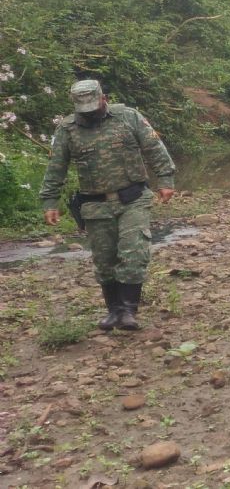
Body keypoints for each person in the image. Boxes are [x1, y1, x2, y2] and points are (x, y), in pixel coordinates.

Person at [39, 80, 177, 331]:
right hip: (94, 204)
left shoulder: (128, 117)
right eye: (85, 110)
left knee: (134, 252)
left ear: (104, 99)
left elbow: (153, 147)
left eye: (95, 106)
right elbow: (55, 168)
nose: (91, 113)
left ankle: (128, 311)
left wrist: (165, 179)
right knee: (104, 260)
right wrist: (50, 201)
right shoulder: (67, 130)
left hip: (133, 198)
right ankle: (113, 310)